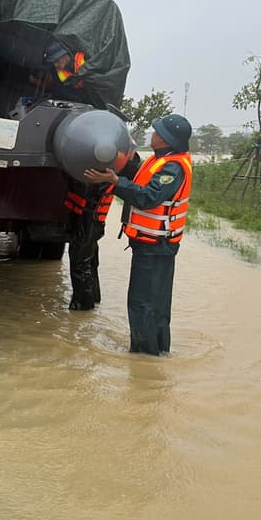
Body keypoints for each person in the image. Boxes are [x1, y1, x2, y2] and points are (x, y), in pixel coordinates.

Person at [84, 113, 193, 355]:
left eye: (157, 132)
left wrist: (115, 181)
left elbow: (148, 197)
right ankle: (158, 353)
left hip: (156, 247)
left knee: (143, 303)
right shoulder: (159, 160)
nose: (152, 135)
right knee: (155, 304)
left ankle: (144, 359)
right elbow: (135, 176)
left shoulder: (173, 168)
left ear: (166, 140)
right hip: (151, 244)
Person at [64, 181, 115, 310]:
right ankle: (92, 299)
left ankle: (83, 307)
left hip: (88, 223)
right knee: (89, 264)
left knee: (81, 265)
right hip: (90, 222)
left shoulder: (98, 177)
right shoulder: (105, 170)